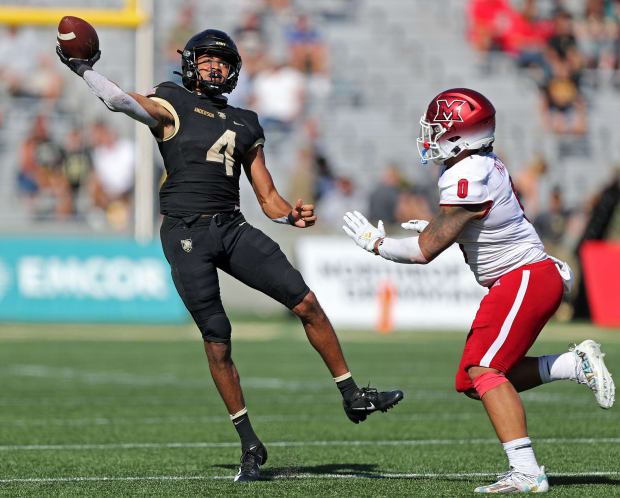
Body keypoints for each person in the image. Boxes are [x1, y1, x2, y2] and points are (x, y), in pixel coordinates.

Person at [56, 28, 403, 482]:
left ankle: (352, 392)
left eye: (224, 61)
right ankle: (249, 444)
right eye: (208, 59)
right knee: (218, 337)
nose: (216, 67)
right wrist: (84, 70)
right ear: (190, 64)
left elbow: (269, 198)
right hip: (185, 232)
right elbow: (122, 102)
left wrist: (289, 216)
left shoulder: (245, 121)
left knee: (308, 303)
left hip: (232, 227)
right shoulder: (172, 100)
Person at [343, 88, 615, 494]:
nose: (430, 137)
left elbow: (423, 253)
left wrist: (377, 244)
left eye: (437, 129)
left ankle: (527, 472)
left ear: (459, 135)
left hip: (525, 276)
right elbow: (468, 228)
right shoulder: (475, 165)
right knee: (471, 381)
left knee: (485, 371)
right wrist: (442, 227)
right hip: (524, 277)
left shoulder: (465, 173)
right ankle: (572, 365)